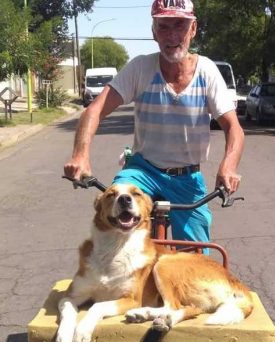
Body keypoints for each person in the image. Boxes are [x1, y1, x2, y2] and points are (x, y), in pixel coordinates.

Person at [63, 0, 244, 244]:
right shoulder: (141, 68)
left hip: (187, 178)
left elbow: (233, 127)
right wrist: (80, 155)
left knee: (195, 258)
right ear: (153, 32)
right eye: (163, 27)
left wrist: (229, 166)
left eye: (179, 25)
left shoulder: (207, 72)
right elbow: (94, 110)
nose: (172, 35)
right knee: (115, 224)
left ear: (193, 29)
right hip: (141, 172)